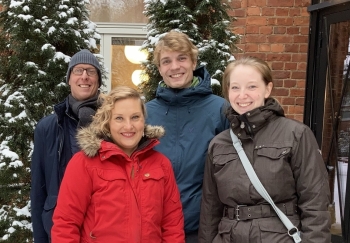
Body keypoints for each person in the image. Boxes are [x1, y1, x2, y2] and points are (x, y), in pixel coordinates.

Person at [198, 56, 331, 243]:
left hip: (279, 237)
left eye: (252, 87)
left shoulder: (296, 134)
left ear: (267, 89)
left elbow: (315, 202)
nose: (242, 95)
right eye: (235, 87)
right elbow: (210, 208)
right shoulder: (219, 144)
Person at [51, 86, 185, 242]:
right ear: (108, 122)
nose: (128, 126)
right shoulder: (84, 163)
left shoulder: (161, 164)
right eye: (119, 118)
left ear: (143, 119)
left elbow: (172, 225)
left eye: (135, 117)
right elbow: (66, 225)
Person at [146, 30, 229, 242]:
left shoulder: (221, 110)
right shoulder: (145, 113)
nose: (174, 67)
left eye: (181, 58)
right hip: (154, 228)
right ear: (159, 68)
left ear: (193, 62)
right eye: (166, 61)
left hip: (203, 229)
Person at [30, 49, 103, 243]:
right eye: (78, 71)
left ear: (98, 80)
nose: (84, 77)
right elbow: (38, 189)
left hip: (103, 228)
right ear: (69, 79)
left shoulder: (112, 123)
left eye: (91, 71)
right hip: (58, 229)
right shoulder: (47, 127)